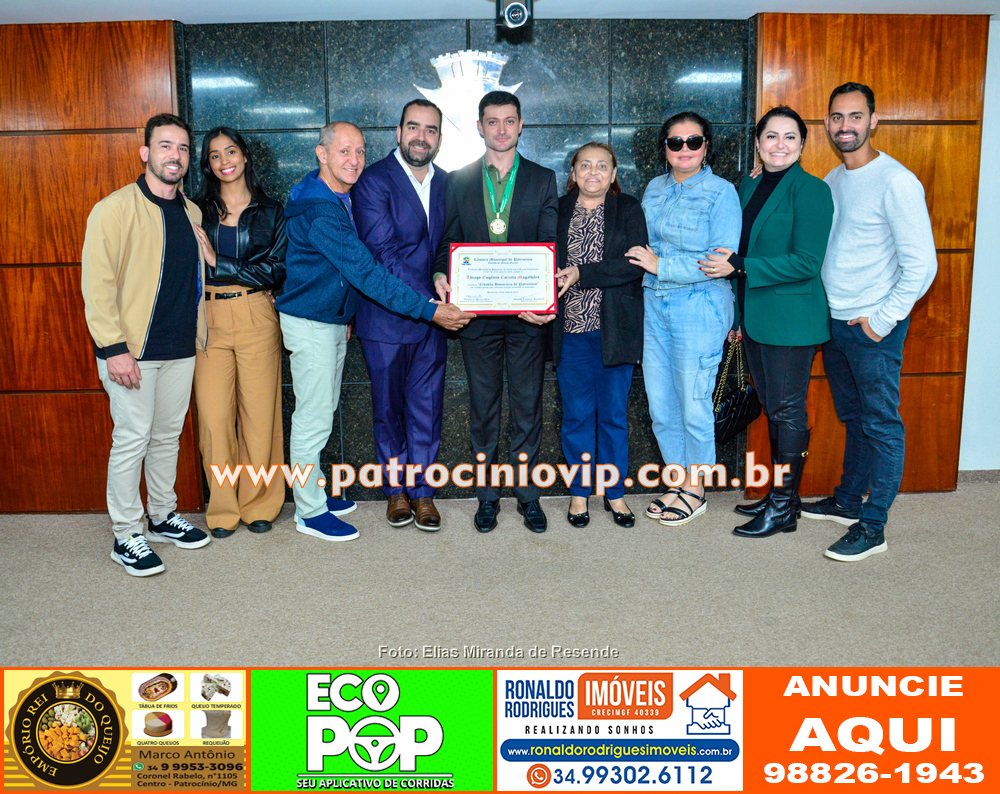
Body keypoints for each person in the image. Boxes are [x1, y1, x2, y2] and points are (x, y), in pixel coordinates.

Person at [275, 121, 472, 543]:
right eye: (344, 151)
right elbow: (366, 272)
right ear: (321, 154)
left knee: (321, 413)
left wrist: (346, 315)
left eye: (360, 151)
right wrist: (429, 310)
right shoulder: (319, 209)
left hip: (330, 321)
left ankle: (314, 494)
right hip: (311, 323)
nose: (355, 160)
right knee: (312, 420)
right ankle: (309, 511)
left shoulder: (333, 195)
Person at [802, 82, 937, 561]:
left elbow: (922, 266)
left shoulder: (896, 181)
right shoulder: (834, 178)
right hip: (835, 323)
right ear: (827, 123)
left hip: (871, 327)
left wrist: (882, 320)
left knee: (882, 425)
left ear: (873, 121)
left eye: (855, 116)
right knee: (855, 417)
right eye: (837, 117)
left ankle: (873, 525)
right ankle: (846, 501)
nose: (846, 126)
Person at [81, 113, 211, 577]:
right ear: (146, 153)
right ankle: (125, 534)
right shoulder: (114, 209)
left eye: (182, 148)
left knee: (167, 437)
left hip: (180, 347)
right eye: (165, 146)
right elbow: (97, 285)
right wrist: (113, 348)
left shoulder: (191, 212)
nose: (175, 155)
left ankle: (161, 515)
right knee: (132, 439)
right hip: (131, 351)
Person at [702, 106, 834, 538]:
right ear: (757, 144)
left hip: (792, 321)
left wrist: (741, 266)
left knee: (787, 411)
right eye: (771, 137)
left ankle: (781, 507)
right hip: (756, 317)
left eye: (790, 137)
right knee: (777, 411)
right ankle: (785, 498)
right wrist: (738, 315)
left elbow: (807, 261)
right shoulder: (749, 184)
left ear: (802, 144)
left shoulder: (812, 191)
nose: (780, 145)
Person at [433, 91, 559, 534]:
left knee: (527, 408)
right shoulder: (459, 180)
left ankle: (528, 496)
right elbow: (448, 240)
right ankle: (487, 498)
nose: (501, 129)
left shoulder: (543, 178)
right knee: (483, 409)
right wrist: (440, 274)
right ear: (479, 127)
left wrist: (544, 298)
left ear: (521, 125)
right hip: (476, 317)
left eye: (509, 121)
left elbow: (549, 244)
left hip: (528, 318)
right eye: (492, 121)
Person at [628, 112, 741, 526]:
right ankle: (677, 480)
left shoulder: (721, 192)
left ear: (706, 146)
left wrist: (662, 265)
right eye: (675, 142)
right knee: (661, 405)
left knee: (693, 404)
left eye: (694, 141)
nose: (684, 149)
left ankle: (696, 489)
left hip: (699, 306)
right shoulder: (654, 188)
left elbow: (720, 260)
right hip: (654, 305)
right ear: (665, 149)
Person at [353, 100, 448, 532]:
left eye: (430, 130)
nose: (421, 137)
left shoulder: (448, 183)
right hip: (387, 319)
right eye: (413, 127)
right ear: (398, 132)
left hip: (435, 320)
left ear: (440, 138)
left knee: (427, 408)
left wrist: (450, 280)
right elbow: (384, 255)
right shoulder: (373, 181)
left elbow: (452, 245)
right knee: (388, 410)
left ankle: (424, 492)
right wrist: (433, 305)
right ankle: (396, 491)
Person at [191, 127, 287, 539]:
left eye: (230, 151)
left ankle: (259, 503)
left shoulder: (272, 210)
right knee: (214, 419)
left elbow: (276, 270)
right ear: (207, 165)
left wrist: (219, 261)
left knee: (260, 417)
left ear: (245, 155)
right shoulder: (196, 210)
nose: (224, 161)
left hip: (255, 313)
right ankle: (223, 507)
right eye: (214, 155)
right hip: (208, 316)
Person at [553, 143, 648, 528]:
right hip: (569, 332)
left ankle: (614, 493)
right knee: (576, 416)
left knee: (613, 417)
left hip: (614, 332)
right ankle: (579, 493)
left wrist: (582, 273)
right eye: (585, 165)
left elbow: (635, 264)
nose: (593, 172)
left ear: (613, 174)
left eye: (602, 166)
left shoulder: (628, 208)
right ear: (573, 173)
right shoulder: (557, 209)